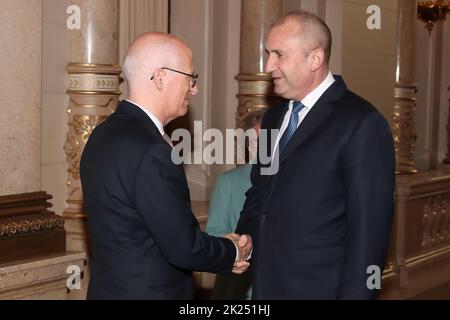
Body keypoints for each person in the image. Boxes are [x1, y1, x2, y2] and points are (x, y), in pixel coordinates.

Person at [235, 10, 395, 299]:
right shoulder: (273, 117)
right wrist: (243, 242)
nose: (268, 65)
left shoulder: (362, 123)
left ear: (316, 59)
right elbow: (260, 194)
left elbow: (369, 235)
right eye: (268, 53)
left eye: (279, 55)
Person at [80, 32, 251, 300]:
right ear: (160, 77)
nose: (194, 89)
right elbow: (184, 247)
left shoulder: (101, 135)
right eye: (190, 78)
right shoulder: (152, 150)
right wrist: (232, 251)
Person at [206, 109, 266, 300]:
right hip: (237, 283)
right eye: (256, 140)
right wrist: (238, 249)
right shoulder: (228, 182)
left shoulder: (291, 180)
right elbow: (214, 233)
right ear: (248, 144)